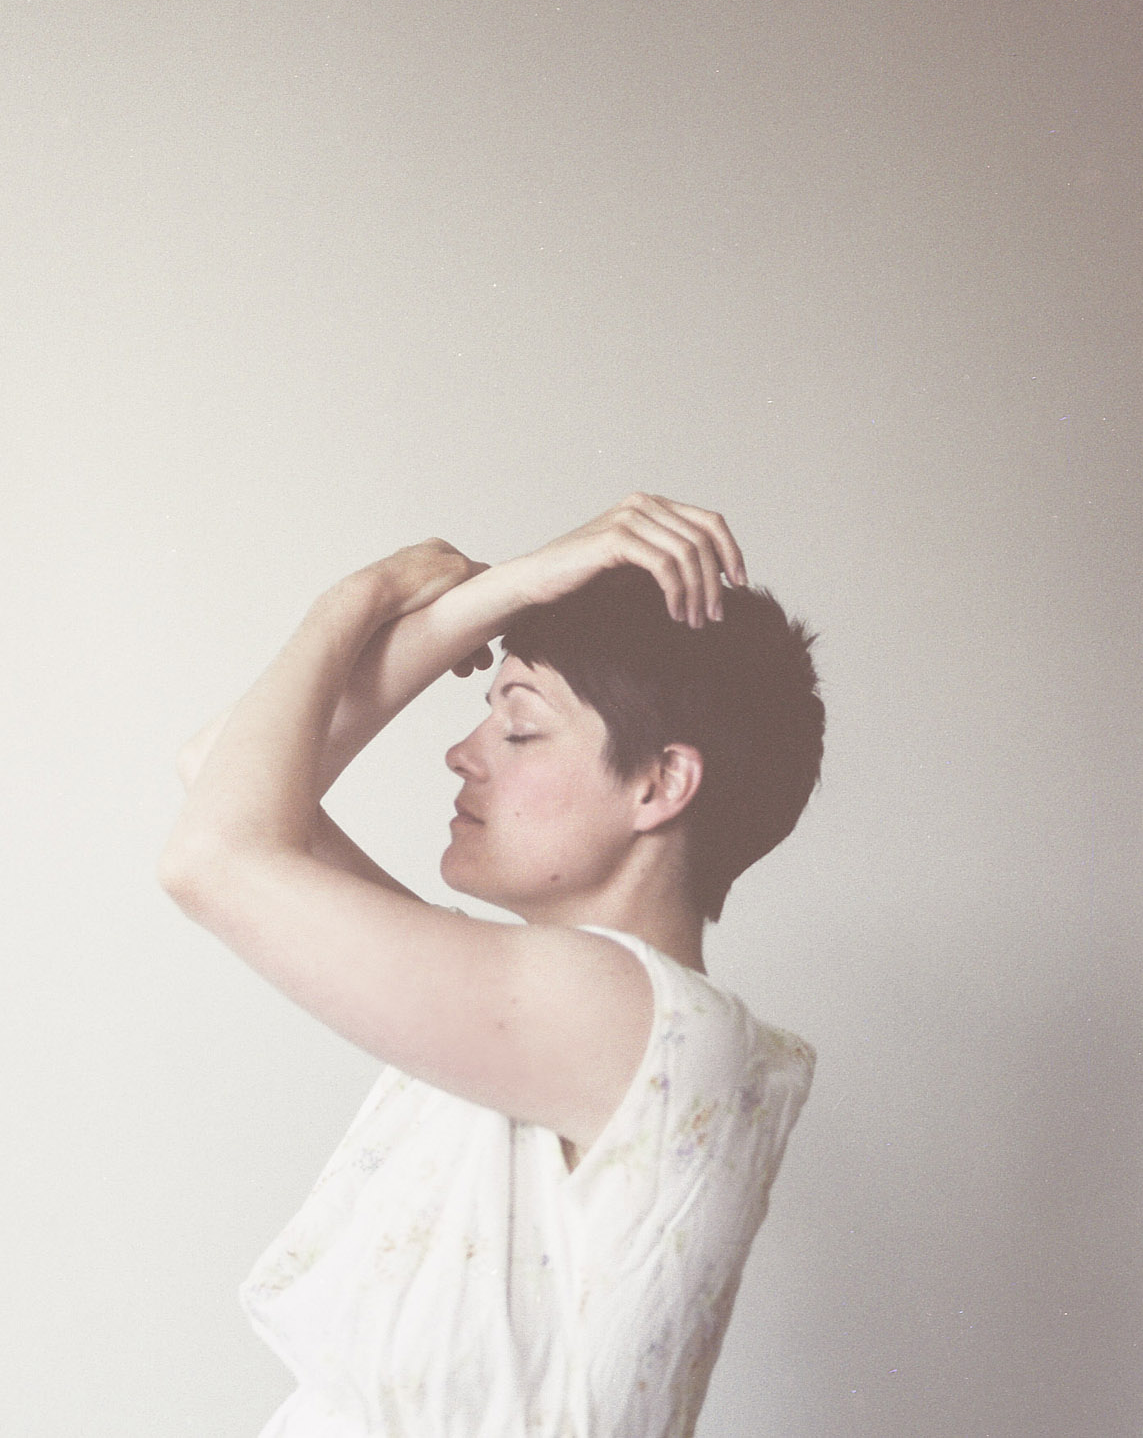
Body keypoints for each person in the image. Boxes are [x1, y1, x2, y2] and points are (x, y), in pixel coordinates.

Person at [158, 494, 824, 1438]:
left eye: (518, 728)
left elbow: (213, 852)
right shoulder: (581, 1012)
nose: (461, 754)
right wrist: (494, 596)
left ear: (660, 782)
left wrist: (361, 598)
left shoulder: (631, 1017)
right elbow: (218, 772)